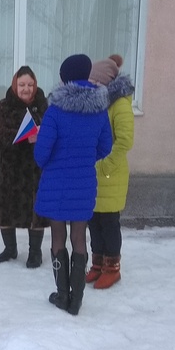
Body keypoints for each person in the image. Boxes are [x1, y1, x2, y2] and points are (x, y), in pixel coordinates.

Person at [34, 54, 112, 315]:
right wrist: (84, 158)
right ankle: (76, 300)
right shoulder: (99, 111)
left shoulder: (55, 111)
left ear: (64, 78)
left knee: (58, 237)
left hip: (56, 184)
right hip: (84, 183)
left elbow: (41, 154)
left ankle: (62, 295)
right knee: (79, 237)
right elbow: (105, 146)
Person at [0, 66, 49, 268]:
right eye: (22, 84)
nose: (26, 89)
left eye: (30, 85)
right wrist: (23, 136)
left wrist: (41, 135)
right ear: (15, 85)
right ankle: (10, 248)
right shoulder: (2, 106)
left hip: (35, 169)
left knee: (36, 212)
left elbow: (53, 132)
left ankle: (35, 252)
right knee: (6, 208)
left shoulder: (44, 107)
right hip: (8, 168)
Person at [86, 55, 134, 289]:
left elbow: (125, 141)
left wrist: (105, 165)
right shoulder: (97, 103)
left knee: (109, 223)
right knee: (93, 221)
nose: (91, 87)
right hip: (94, 174)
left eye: (94, 83)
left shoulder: (120, 104)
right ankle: (98, 264)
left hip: (110, 174)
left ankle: (112, 268)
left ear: (104, 82)